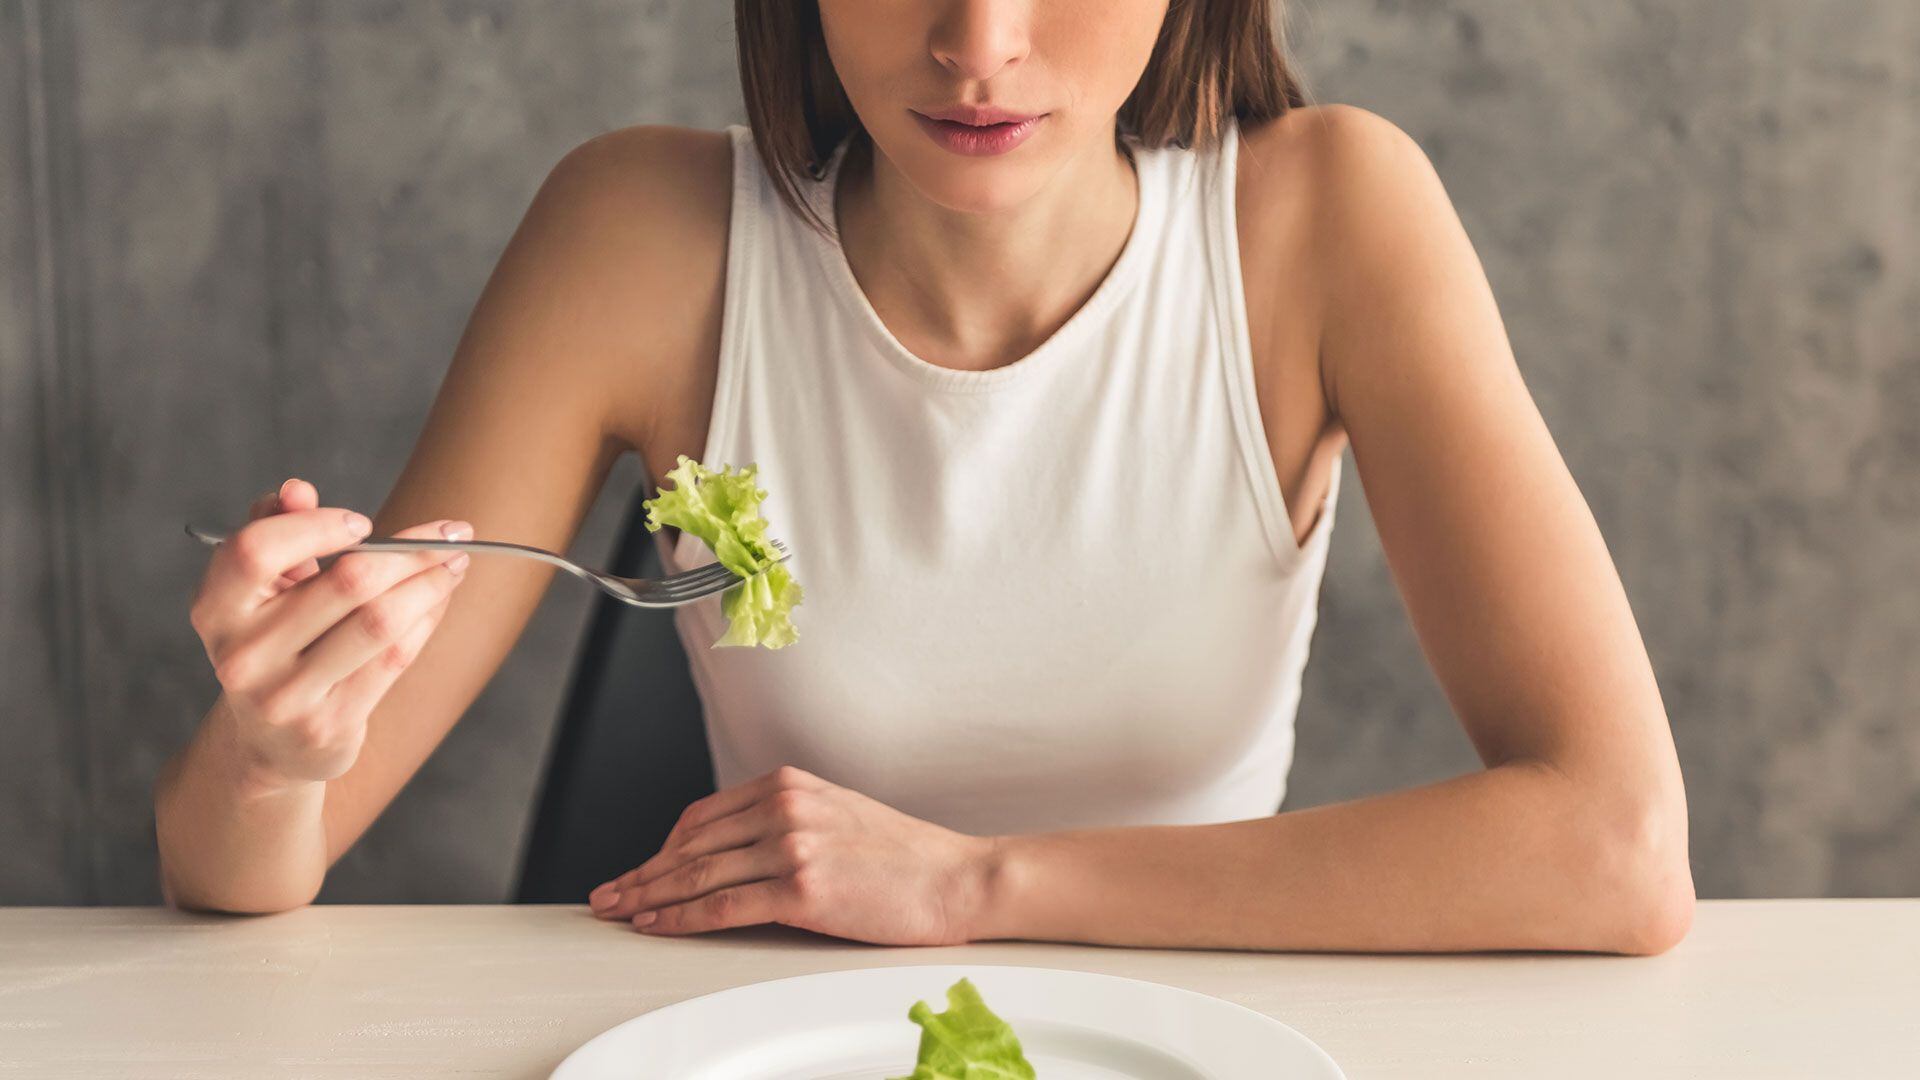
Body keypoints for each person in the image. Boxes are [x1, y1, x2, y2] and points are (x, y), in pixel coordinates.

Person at [156, 0, 1694, 954]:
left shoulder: (1327, 219)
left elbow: (1615, 850)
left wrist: (971, 885)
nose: (979, 40)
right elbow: (240, 876)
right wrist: (271, 760)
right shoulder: (638, 238)